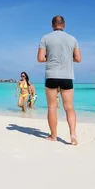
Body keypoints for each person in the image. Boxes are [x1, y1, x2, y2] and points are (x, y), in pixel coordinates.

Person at [37, 15, 81, 145]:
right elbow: (78, 59)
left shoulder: (45, 38)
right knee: (69, 107)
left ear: (52, 25)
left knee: (52, 107)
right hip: (67, 76)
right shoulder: (72, 39)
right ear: (64, 25)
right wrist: (67, 58)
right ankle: (72, 134)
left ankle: (53, 136)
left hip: (51, 75)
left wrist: (49, 58)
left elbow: (40, 58)